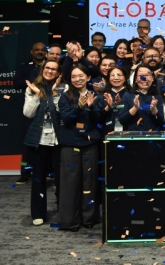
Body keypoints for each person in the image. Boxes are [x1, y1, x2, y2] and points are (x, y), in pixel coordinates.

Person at [57, 64, 104, 231]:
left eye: (81, 76)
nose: (77, 79)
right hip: (70, 145)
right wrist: (79, 107)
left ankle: (89, 218)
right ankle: (70, 221)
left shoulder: (96, 96)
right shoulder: (65, 97)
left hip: (90, 145)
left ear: (88, 78)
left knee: (89, 182)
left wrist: (90, 107)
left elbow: (98, 120)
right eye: (74, 77)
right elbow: (66, 119)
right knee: (70, 184)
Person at [22, 60, 63, 226]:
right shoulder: (32, 88)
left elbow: (62, 112)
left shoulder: (63, 88)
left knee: (62, 180)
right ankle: (38, 214)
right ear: (42, 69)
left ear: (58, 72)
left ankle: (63, 212)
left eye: (54, 69)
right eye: (47, 68)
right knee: (38, 178)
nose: (50, 71)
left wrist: (54, 94)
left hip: (58, 141)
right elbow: (28, 113)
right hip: (38, 141)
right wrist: (37, 95)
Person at [14, 41, 48, 184]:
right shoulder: (24, 66)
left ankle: (49, 172)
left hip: (47, 108)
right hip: (31, 107)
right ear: (32, 52)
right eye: (37, 50)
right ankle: (25, 173)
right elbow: (17, 83)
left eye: (42, 50)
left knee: (48, 142)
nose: (40, 52)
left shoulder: (51, 66)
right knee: (29, 142)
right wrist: (33, 83)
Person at [119, 63, 165, 131]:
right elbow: (122, 120)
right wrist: (135, 108)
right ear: (135, 79)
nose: (144, 79)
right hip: (132, 137)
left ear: (152, 78)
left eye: (147, 75)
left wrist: (155, 111)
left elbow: (161, 122)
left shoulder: (157, 96)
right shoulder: (128, 95)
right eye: (141, 76)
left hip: (152, 137)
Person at [102, 65, 131, 132]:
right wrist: (109, 106)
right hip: (107, 132)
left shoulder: (131, 95)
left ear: (125, 77)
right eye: (113, 75)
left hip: (128, 132)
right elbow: (99, 117)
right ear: (108, 78)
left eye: (119, 75)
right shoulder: (103, 96)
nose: (116, 78)